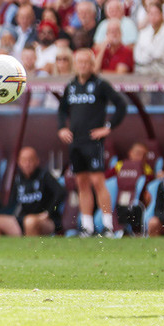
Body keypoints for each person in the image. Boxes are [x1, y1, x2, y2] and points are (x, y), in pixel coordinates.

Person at [57, 48, 127, 237]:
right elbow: (62, 110)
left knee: (98, 181)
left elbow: (121, 104)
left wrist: (109, 127)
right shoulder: (71, 86)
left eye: (86, 62)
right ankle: (87, 226)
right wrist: (62, 128)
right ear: (75, 64)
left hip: (93, 141)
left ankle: (107, 225)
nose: (83, 65)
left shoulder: (100, 84)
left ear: (92, 64)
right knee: (81, 182)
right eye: (79, 62)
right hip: (76, 141)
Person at [9, 146, 64, 236]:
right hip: (23, 219)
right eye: (23, 160)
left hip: (47, 220)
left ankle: (32, 249)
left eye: (30, 160)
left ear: (37, 161)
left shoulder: (44, 176)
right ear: (19, 162)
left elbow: (61, 192)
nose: (27, 164)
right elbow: (11, 204)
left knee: (30, 221)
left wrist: (48, 212)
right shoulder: (18, 180)